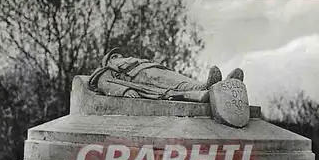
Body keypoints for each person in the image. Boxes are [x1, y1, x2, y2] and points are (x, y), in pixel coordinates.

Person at [87, 47, 244, 103]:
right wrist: (125, 91)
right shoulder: (105, 72)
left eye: (118, 55)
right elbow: (105, 85)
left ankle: (219, 86)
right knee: (172, 84)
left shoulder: (136, 60)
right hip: (141, 78)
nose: (118, 57)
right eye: (113, 57)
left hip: (154, 69)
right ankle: (204, 88)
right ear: (107, 61)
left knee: (179, 78)